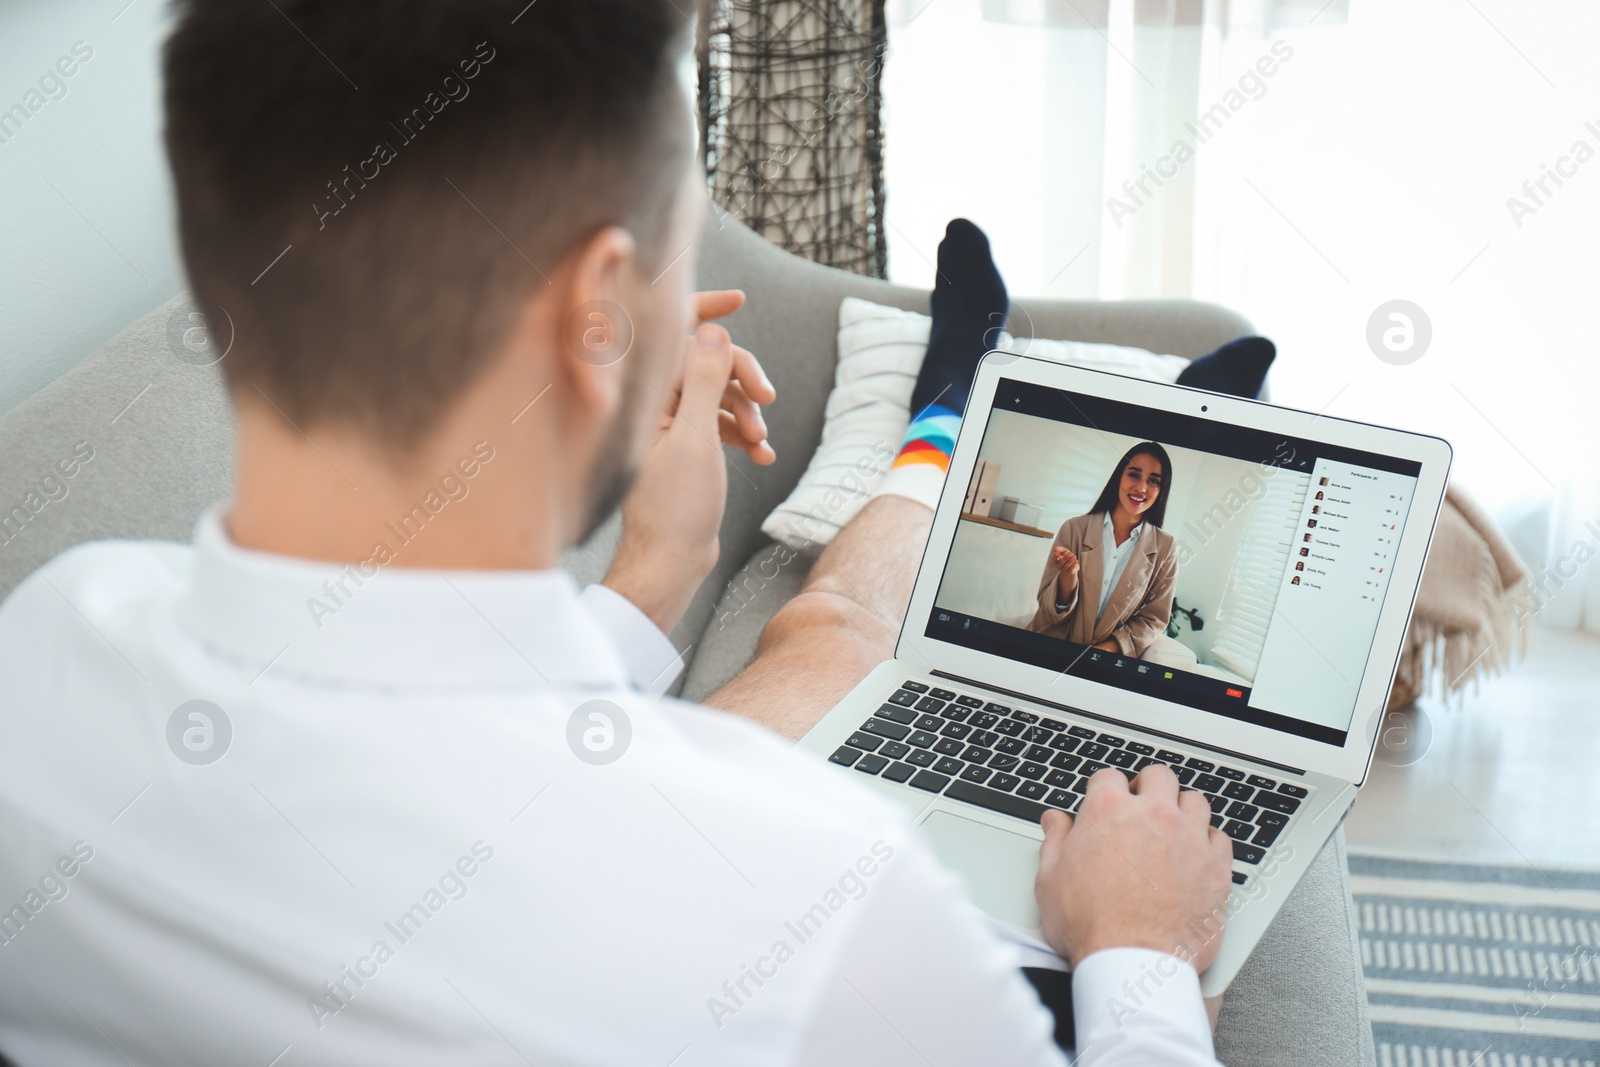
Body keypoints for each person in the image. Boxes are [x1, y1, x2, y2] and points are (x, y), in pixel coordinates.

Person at [0, 2, 1233, 1064]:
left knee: (829, 627)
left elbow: (433, 748)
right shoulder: (820, 897)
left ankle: (943, 407)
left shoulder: (49, 646)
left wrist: (654, 572)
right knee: (842, 627)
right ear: (594, 307)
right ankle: (946, 409)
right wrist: (1140, 947)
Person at [1026, 444, 1180, 657]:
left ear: (1161, 490)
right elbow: (1048, 611)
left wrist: (1104, 652)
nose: (1141, 488)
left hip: (1106, 661)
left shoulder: (1166, 548)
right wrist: (1068, 577)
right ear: (1119, 477)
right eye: (1134, 474)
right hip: (1050, 648)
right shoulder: (1074, 529)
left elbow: (1153, 619)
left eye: (1153, 481)